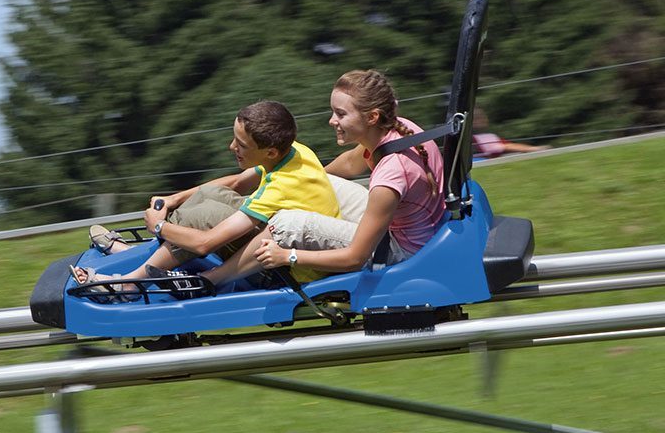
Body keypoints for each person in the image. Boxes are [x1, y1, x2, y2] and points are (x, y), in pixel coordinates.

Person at [71, 100, 341, 292]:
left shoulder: (281, 187)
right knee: (209, 193)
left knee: (202, 217)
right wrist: (176, 198)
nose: (232, 146)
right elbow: (235, 183)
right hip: (285, 239)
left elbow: (205, 244)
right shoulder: (294, 150)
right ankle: (145, 257)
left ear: (270, 152)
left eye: (241, 145)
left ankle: (131, 281)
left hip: (286, 271)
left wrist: (159, 226)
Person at [207, 69, 445, 281]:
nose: (332, 121)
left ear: (372, 117)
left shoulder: (390, 174)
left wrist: (288, 256)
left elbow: (355, 258)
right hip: (414, 231)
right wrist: (305, 179)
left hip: (404, 253)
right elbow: (351, 165)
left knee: (287, 224)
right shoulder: (397, 127)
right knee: (320, 183)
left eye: (341, 114)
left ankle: (215, 279)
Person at [472, 107, 551, 158]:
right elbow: (505, 147)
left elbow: (507, 145)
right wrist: (533, 149)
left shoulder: (489, 136)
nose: (483, 120)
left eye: (483, 117)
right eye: (478, 118)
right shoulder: (478, 138)